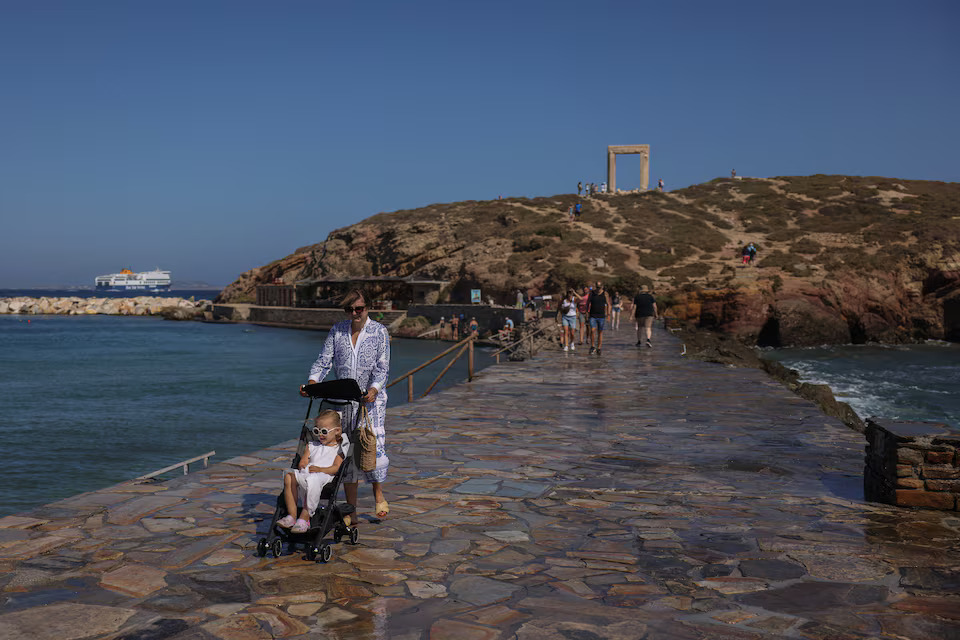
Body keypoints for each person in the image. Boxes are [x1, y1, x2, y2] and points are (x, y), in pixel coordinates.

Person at [300, 288, 390, 522]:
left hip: (370, 402)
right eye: (349, 309)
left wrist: (373, 389)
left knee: (371, 450)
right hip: (342, 402)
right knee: (346, 452)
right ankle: (352, 510)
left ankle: (378, 494)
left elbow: (382, 369)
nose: (354, 313)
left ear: (367, 307)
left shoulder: (379, 332)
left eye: (358, 309)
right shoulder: (337, 330)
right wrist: (312, 384)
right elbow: (323, 361)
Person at [278, 410, 344, 533]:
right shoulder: (312, 445)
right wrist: (303, 464)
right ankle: (291, 516)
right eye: (317, 431)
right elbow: (303, 462)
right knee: (288, 475)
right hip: (307, 474)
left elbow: (336, 468)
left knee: (314, 479)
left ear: (337, 431)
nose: (320, 435)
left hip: (324, 476)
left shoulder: (339, 449)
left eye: (324, 431)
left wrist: (320, 469)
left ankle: (305, 517)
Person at [587, 281, 611, 355]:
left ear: (602, 287)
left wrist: (608, 314)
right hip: (592, 315)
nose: (598, 289)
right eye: (597, 287)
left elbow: (608, 304)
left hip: (601, 316)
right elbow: (588, 303)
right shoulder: (592, 293)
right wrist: (586, 313)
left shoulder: (605, 294)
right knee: (593, 330)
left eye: (599, 287)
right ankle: (592, 346)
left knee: (600, 332)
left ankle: (599, 348)